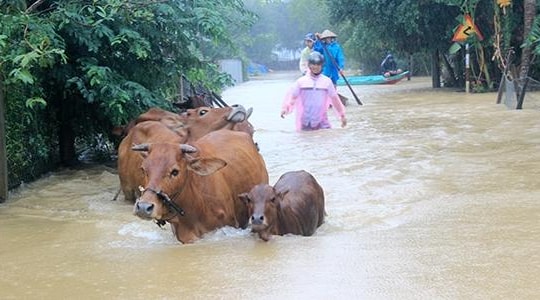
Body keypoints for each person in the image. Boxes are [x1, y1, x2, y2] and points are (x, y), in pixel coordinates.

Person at [281, 52, 347, 131]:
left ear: (322, 66)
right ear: (309, 65)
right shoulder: (301, 82)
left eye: (318, 64)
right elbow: (292, 98)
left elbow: (335, 100)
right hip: (304, 121)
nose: (316, 67)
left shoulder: (327, 82)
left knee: (325, 140)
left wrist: (342, 115)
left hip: (322, 122)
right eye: (313, 64)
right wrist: (285, 109)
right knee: (305, 141)